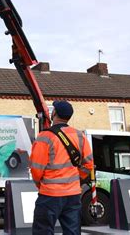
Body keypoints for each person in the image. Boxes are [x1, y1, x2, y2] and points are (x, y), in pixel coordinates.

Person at [30, 100, 94, 235]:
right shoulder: (80, 136)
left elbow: (36, 169)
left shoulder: (45, 137)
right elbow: (88, 165)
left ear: (54, 113)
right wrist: (76, 179)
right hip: (73, 195)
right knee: (72, 232)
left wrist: (40, 185)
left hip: (49, 195)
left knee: (43, 230)